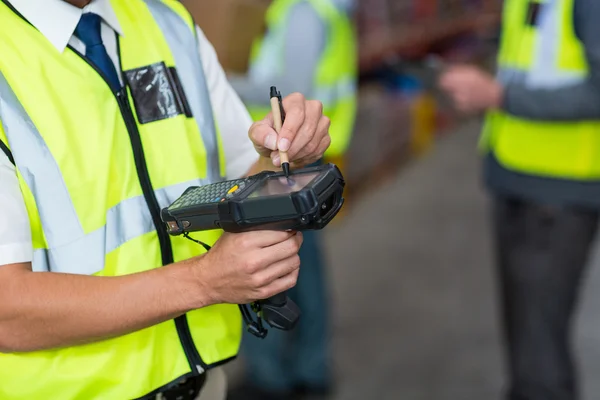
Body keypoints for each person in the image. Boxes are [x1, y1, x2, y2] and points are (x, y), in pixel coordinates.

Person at [0, 0, 333, 399]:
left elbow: (250, 172)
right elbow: (7, 310)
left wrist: (285, 150)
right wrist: (204, 281)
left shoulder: (167, 20)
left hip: (204, 382)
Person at [439, 0, 600, 399]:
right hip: (522, 182)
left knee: (539, 356)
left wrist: (498, 95)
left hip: (557, 195)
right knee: (528, 343)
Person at [227, 1, 357, 399]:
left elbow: (289, 90)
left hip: (289, 158)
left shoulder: (303, 12)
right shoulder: (306, 9)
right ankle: (308, 369)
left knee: (281, 269)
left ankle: (280, 376)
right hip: (291, 156)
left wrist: (227, 81)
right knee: (302, 266)